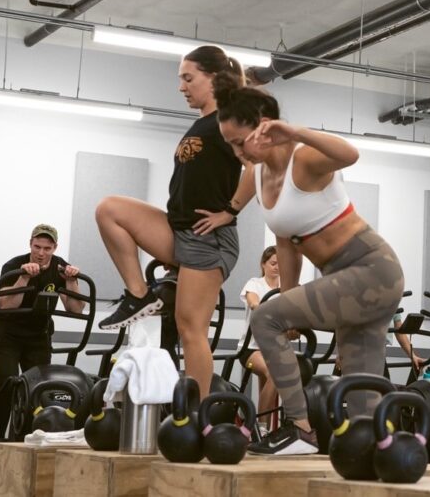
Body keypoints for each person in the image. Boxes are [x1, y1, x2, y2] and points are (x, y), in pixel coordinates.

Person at [214, 77, 404, 456]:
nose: (236, 152)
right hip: (343, 277)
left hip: (372, 269)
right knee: (361, 399)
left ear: (265, 127)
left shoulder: (304, 158)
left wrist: (295, 131)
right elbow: (287, 243)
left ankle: (300, 428)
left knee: (264, 318)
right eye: (230, 144)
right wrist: (290, 300)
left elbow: (350, 154)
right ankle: (374, 456)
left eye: (239, 141)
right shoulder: (258, 174)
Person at [94, 46, 254, 397]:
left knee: (190, 329)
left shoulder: (228, 120)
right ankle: (138, 295)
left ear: (212, 78)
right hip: (178, 228)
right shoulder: (201, 122)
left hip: (208, 239)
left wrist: (230, 211)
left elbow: (258, 167)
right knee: (109, 210)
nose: (182, 87)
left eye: (188, 78)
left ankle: (196, 416)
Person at [0, 224, 86, 437]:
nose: (41, 253)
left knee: (38, 389)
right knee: (9, 382)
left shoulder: (61, 268)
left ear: (54, 248)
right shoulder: (14, 266)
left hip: (38, 336)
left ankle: (26, 437)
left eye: (47, 248)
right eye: (37, 247)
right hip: (7, 335)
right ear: (30, 244)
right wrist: (24, 277)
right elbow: (6, 305)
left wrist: (71, 281)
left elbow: (76, 308)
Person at [238, 245, 280, 431]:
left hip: (274, 348)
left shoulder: (285, 288)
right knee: (275, 374)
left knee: (271, 378)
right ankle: (261, 427)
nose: (276, 267)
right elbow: (254, 302)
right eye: (273, 263)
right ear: (263, 264)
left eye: (280, 264)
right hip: (251, 349)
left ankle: (270, 431)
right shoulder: (254, 283)